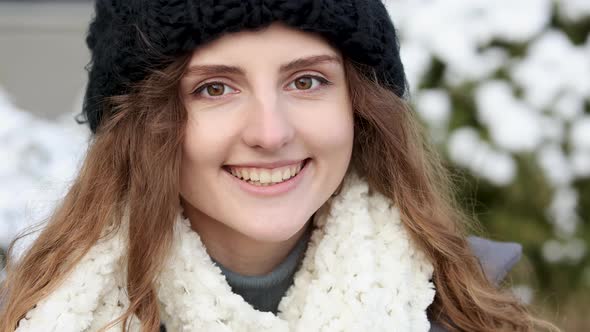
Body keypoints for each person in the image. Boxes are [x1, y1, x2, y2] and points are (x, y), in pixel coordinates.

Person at [0, 1, 558, 331]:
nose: (271, 132)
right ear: (139, 126)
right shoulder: (46, 315)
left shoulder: (469, 312)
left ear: (361, 106)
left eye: (307, 81)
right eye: (214, 88)